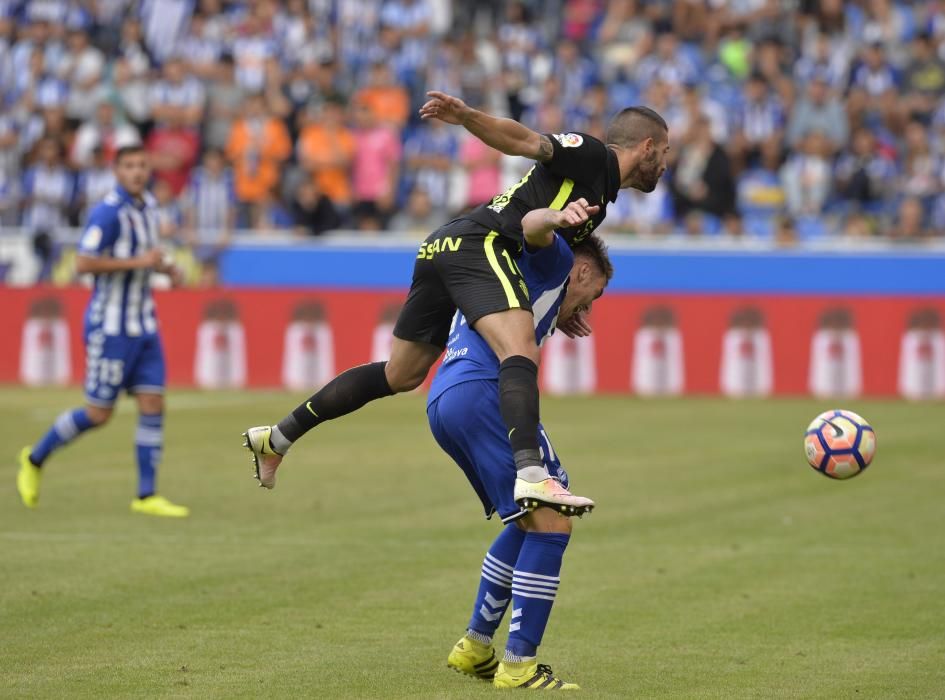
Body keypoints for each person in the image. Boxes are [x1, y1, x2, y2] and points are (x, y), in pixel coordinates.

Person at [243, 90, 668, 516]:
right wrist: (467, 116)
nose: (666, 165)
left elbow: (546, 252)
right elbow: (526, 142)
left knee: (401, 374)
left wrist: (564, 306)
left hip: (441, 247)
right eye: (664, 152)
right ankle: (534, 476)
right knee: (519, 350)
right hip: (481, 242)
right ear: (646, 146)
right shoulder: (593, 155)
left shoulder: (598, 195)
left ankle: (278, 436)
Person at [430, 201, 613, 690]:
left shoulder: (522, 283)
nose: (587, 312)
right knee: (551, 515)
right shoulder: (550, 261)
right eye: (590, 296)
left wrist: (559, 312)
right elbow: (534, 227)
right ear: (579, 270)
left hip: (447, 398)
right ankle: (518, 665)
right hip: (483, 393)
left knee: (530, 513)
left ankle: (475, 647)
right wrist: (554, 219)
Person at [16, 145, 190, 518]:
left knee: (153, 402)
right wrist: (139, 262)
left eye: (142, 165)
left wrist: (166, 269)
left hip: (144, 323)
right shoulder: (107, 213)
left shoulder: (149, 210)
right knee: (98, 414)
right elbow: (82, 262)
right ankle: (34, 458)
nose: (137, 172)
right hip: (110, 327)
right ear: (116, 171)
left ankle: (146, 495)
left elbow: (147, 257)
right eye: (129, 166)